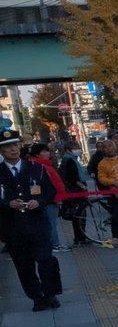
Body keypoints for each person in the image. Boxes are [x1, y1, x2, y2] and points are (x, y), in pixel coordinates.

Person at [0, 130, 64, 310]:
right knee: (23, 264)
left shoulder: (36, 168)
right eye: (7, 147)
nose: (13, 149)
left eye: (15, 145)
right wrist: (7, 203)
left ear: (20, 146)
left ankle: (50, 294)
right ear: (1, 151)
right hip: (12, 227)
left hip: (38, 223)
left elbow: (50, 192)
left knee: (46, 260)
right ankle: (37, 297)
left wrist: (40, 201)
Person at [55, 143, 95, 248]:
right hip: (76, 190)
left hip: (71, 191)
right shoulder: (70, 161)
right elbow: (72, 177)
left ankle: (80, 237)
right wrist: (82, 186)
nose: (78, 150)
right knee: (80, 214)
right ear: (68, 150)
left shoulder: (66, 159)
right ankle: (80, 237)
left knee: (77, 214)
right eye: (75, 148)